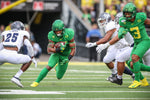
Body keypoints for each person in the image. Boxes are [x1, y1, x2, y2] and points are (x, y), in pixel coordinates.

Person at [96, 12, 149, 87]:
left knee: (123, 59)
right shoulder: (132, 23)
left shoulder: (124, 26)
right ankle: (142, 80)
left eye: (118, 20)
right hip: (141, 44)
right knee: (132, 63)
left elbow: (118, 37)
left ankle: (119, 78)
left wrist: (106, 45)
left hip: (138, 46)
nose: (117, 22)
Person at [86, 12, 133, 81]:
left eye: (102, 20)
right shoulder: (108, 25)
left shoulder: (110, 25)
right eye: (100, 21)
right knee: (106, 60)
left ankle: (132, 74)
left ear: (107, 19)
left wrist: (94, 44)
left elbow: (106, 39)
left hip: (122, 45)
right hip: (115, 44)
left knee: (119, 64)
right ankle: (114, 73)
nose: (101, 22)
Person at [114, 3, 150, 88]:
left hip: (145, 41)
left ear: (133, 13)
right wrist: (121, 32)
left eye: (128, 13)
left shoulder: (140, 17)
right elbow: (122, 28)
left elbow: (148, 21)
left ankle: (137, 81)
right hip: (136, 43)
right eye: (125, 13)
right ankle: (144, 81)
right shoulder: (123, 20)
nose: (126, 15)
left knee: (134, 58)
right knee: (131, 64)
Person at [30, 19, 76, 87]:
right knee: (49, 66)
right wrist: (57, 50)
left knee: (59, 77)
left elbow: (73, 49)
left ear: (63, 29)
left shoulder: (69, 33)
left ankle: (57, 67)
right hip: (56, 54)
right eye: (56, 31)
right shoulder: (51, 35)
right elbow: (49, 49)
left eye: (59, 30)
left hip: (65, 55)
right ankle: (36, 82)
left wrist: (68, 59)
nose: (57, 32)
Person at [0, 21, 37, 88]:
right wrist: (32, 56)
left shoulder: (6, 32)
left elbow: (1, 45)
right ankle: (16, 77)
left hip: (2, 54)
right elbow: (29, 45)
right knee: (29, 60)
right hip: (13, 55)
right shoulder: (22, 33)